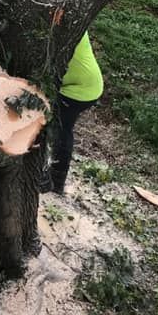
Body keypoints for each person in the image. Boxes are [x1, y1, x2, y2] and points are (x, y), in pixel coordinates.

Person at [41, 32, 103, 194]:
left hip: (78, 89)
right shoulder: (73, 19)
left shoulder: (59, 23)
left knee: (60, 129)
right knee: (59, 127)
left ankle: (55, 180)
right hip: (88, 83)